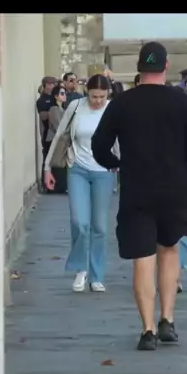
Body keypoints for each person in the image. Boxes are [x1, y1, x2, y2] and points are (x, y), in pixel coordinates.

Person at [91, 41, 187, 351]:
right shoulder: (182, 102)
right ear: (166, 67)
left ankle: (148, 329)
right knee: (169, 250)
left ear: (139, 68)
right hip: (175, 189)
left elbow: (99, 145)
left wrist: (115, 163)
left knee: (143, 258)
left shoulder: (122, 103)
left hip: (137, 189)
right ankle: (167, 319)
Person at [44, 75, 115, 292]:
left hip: (104, 172)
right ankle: (80, 269)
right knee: (79, 222)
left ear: (108, 94)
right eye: (94, 96)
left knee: (100, 226)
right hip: (78, 170)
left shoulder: (114, 109)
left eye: (102, 97)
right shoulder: (76, 107)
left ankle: (97, 275)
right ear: (87, 93)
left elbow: (124, 140)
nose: (98, 101)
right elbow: (59, 136)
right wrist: (47, 168)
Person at [36, 76, 58, 192]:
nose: (51, 86)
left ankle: (56, 183)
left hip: (57, 131)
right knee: (47, 157)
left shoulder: (56, 97)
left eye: (53, 84)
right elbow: (43, 115)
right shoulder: (41, 100)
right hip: (47, 132)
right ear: (45, 86)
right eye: (49, 84)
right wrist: (53, 112)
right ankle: (45, 184)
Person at [46, 84, 68, 193]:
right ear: (56, 96)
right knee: (55, 163)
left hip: (61, 140)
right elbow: (58, 125)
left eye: (65, 93)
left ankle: (60, 186)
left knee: (60, 163)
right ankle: (54, 186)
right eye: (62, 93)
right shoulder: (54, 109)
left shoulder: (62, 109)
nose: (64, 96)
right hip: (54, 139)